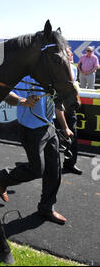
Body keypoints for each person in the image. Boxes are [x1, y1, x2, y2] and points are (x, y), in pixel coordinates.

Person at [0, 75, 73, 225]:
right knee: (37, 170)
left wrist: (65, 127)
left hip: (49, 127)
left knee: (54, 170)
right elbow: (6, 94)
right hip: (31, 130)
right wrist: (23, 101)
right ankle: (2, 178)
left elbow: (57, 103)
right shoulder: (25, 74)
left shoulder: (51, 74)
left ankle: (46, 208)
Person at [56, 46, 82, 175]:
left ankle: (70, 164)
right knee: (53, 140)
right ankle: (45, 167)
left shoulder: (73, 68)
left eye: (71, 52)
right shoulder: (54, 68)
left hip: (69, 108)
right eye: (68, 52)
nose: (71, 54)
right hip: (55, 108)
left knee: (73, 136)